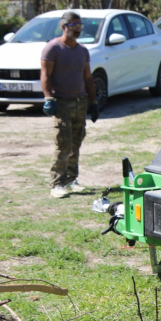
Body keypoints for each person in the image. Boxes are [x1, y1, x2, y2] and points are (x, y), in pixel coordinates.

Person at [40, 11, 99, 198]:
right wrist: (49, 98)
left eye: (80, 26)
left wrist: (94, 101)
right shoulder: (53, 48)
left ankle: (71, 179)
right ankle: (57, 183)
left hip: (80, 102)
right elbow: (45, 75)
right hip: (62, 103)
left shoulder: (82, 50)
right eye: (74, 26)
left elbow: (88, 77)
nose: (78, 30)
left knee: (76, 142)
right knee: (63, 143)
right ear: (63, 27)